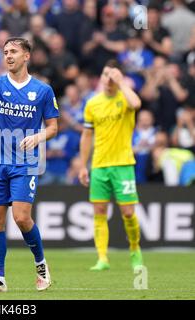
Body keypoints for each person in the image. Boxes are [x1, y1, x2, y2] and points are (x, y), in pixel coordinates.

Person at [0, 37, 59, 293]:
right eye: (5, 52)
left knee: (21, 217)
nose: (8, 55)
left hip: (25, 163)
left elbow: (53, 127)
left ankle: (41, 264)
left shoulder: (42, 90)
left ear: (26, 55)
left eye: (14, 51)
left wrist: (38, 137)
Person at [78, 60, 143, 272]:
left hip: (123, 164)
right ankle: (102, 258)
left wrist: (122, 83)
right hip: (99, 165)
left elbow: (137, 104)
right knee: (99, 210)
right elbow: (87, 136)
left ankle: (134, 249)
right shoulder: (92, 103)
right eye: (106, 75)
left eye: (113, 75)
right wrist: (82, 165)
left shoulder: (125, 99)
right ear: (101, 78)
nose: (109, 79)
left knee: (127, 212)